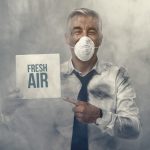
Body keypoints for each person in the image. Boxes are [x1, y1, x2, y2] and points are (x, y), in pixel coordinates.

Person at [0, 8, 140, 150]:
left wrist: (100, 115)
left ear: (100, 38)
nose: (84, 39)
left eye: (91, 32)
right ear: (67, 38)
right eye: (77, 31)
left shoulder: (117, 76)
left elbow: (133, 129)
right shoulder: (50, 76)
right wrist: (6, 111)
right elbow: (25, 128)